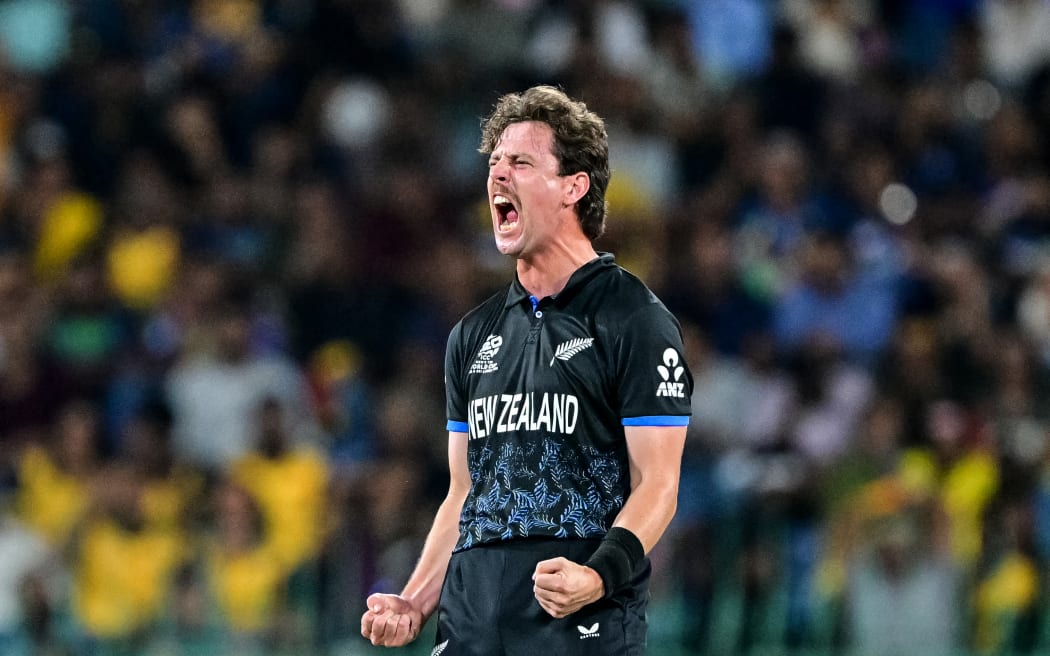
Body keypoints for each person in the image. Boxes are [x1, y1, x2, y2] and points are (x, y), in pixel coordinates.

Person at [360, 85, 693, 655]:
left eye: (520, 162)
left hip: (573, 617)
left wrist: (598, 575)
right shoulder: (471, 335)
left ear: (573, 186)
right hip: (472, 616)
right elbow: (464, 492)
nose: (497, 176)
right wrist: (414, 601)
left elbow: (658, 483)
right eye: (493, 164)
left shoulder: (632, 318)